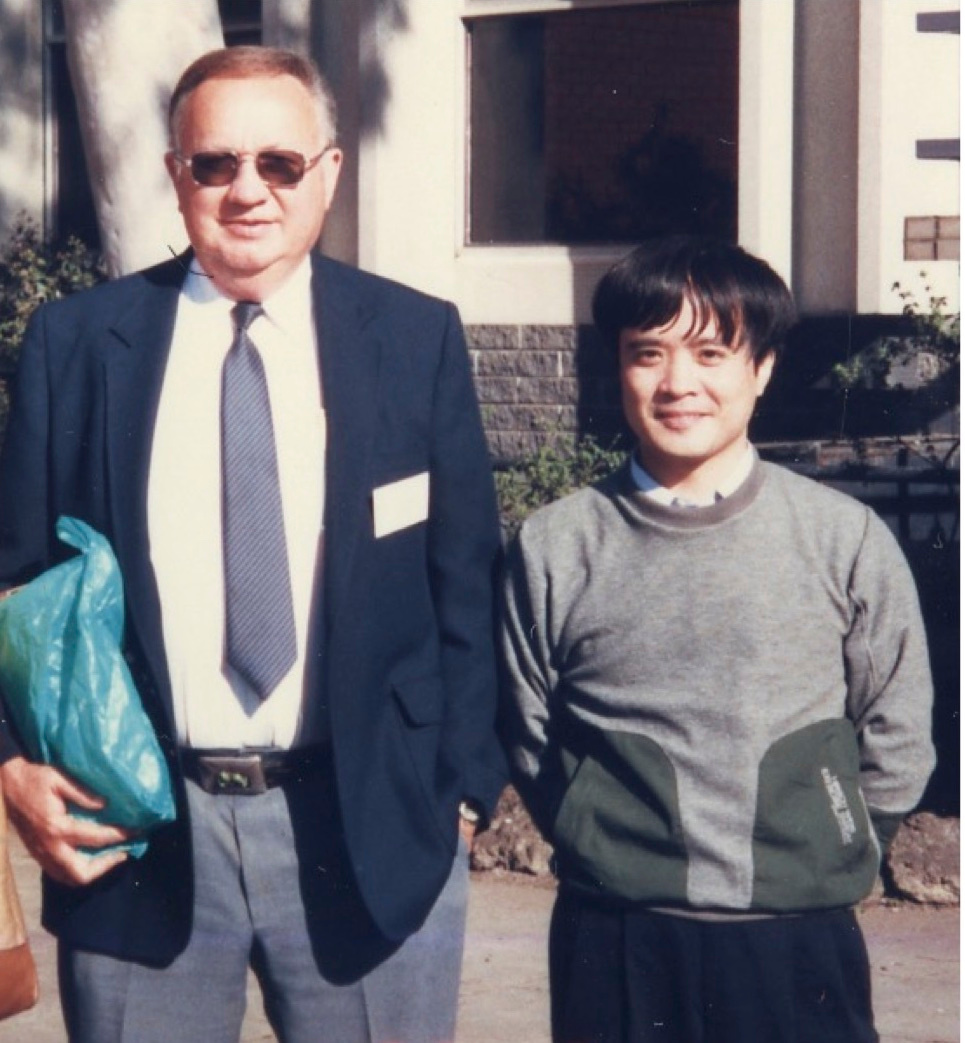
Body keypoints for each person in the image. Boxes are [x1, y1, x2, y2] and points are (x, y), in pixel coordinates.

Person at [0, 45, 506, 1043]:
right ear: (173, 176)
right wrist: (11, 762)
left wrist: (457, 792)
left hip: (368, 833)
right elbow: (13, 582)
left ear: (327, 174)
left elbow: (466, 590)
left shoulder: (414, 339)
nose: (247, 192)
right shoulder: (76, 344)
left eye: (279, 163)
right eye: (214, 163)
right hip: (134, 834)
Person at [498, 235, 935, 1043]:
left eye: (710, 352)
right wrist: (605, 837)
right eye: (647, 353)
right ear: (617, 366)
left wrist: (836, 840)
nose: (678, 383)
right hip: (616, 936)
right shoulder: (557, 543)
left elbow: (897, 724)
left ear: (760, 368)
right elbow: (528, 729)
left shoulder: (841, 537)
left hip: (794, 934)